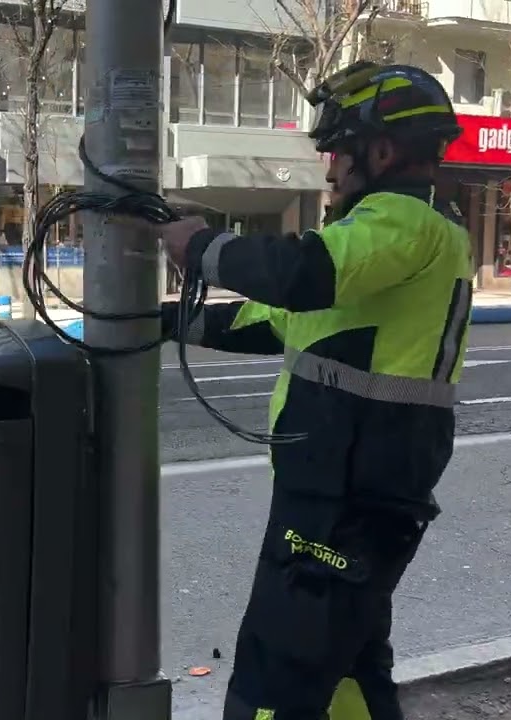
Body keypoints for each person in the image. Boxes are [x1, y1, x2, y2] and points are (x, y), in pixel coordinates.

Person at [157, 62, 473, 719]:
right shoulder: (376, 255)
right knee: (351, 669)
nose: (328, 169)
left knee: (275, 683)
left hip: (346, 501)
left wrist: (204, 247)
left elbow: (300, 273)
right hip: (344, 493)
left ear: (381, 153)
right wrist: (157, 321)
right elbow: (271, 319)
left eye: (336, 152)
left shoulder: (404, 222)